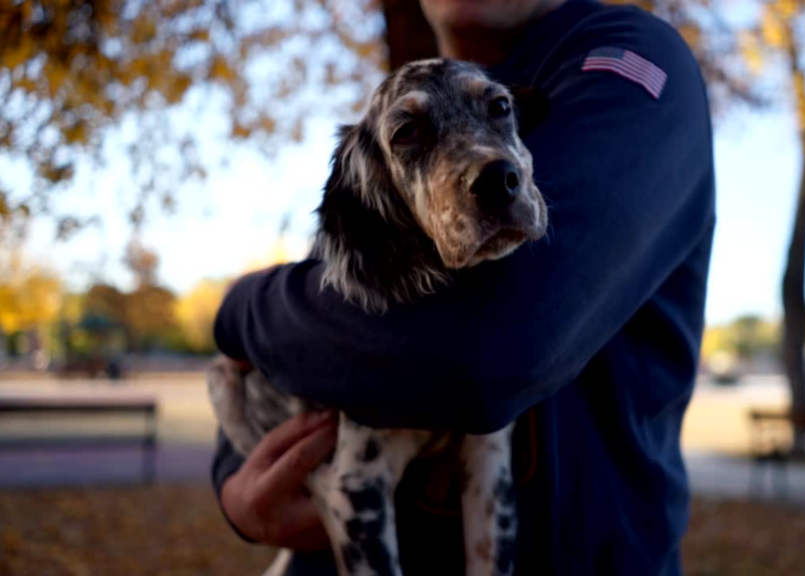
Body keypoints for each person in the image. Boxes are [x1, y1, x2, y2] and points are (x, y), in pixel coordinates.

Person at [211, 0, 715, 574]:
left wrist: (239, 312)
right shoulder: (397, 108)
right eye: (411, 135)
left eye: (500, 108)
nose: (486, 161)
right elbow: (328, 315)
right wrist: (234, 480)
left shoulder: (628, 57)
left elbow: (483, 349)